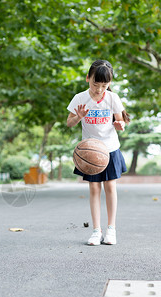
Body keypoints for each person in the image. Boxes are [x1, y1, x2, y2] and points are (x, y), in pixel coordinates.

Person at [66, 59, 128, 246]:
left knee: (110, 187)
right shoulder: (79, 98)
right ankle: (96, 231)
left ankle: (111, 230)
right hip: (90, 153)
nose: (100, 89)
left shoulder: (112, 98)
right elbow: (69, 123)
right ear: (88, 78)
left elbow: (121, 122)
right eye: (95, 84)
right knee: (94, 189)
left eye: (104, 85)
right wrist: (79, 116)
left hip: (110, 149)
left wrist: (120, 125)